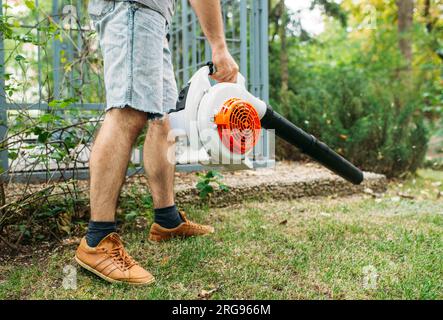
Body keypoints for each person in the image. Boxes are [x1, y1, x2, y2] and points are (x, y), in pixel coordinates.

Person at [75, 0, 239, 285]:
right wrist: (219, 47)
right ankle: (97, 240)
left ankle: (167, 220)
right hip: (134, 7)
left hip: (150, 13)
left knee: (161, 118)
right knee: (127, 111)